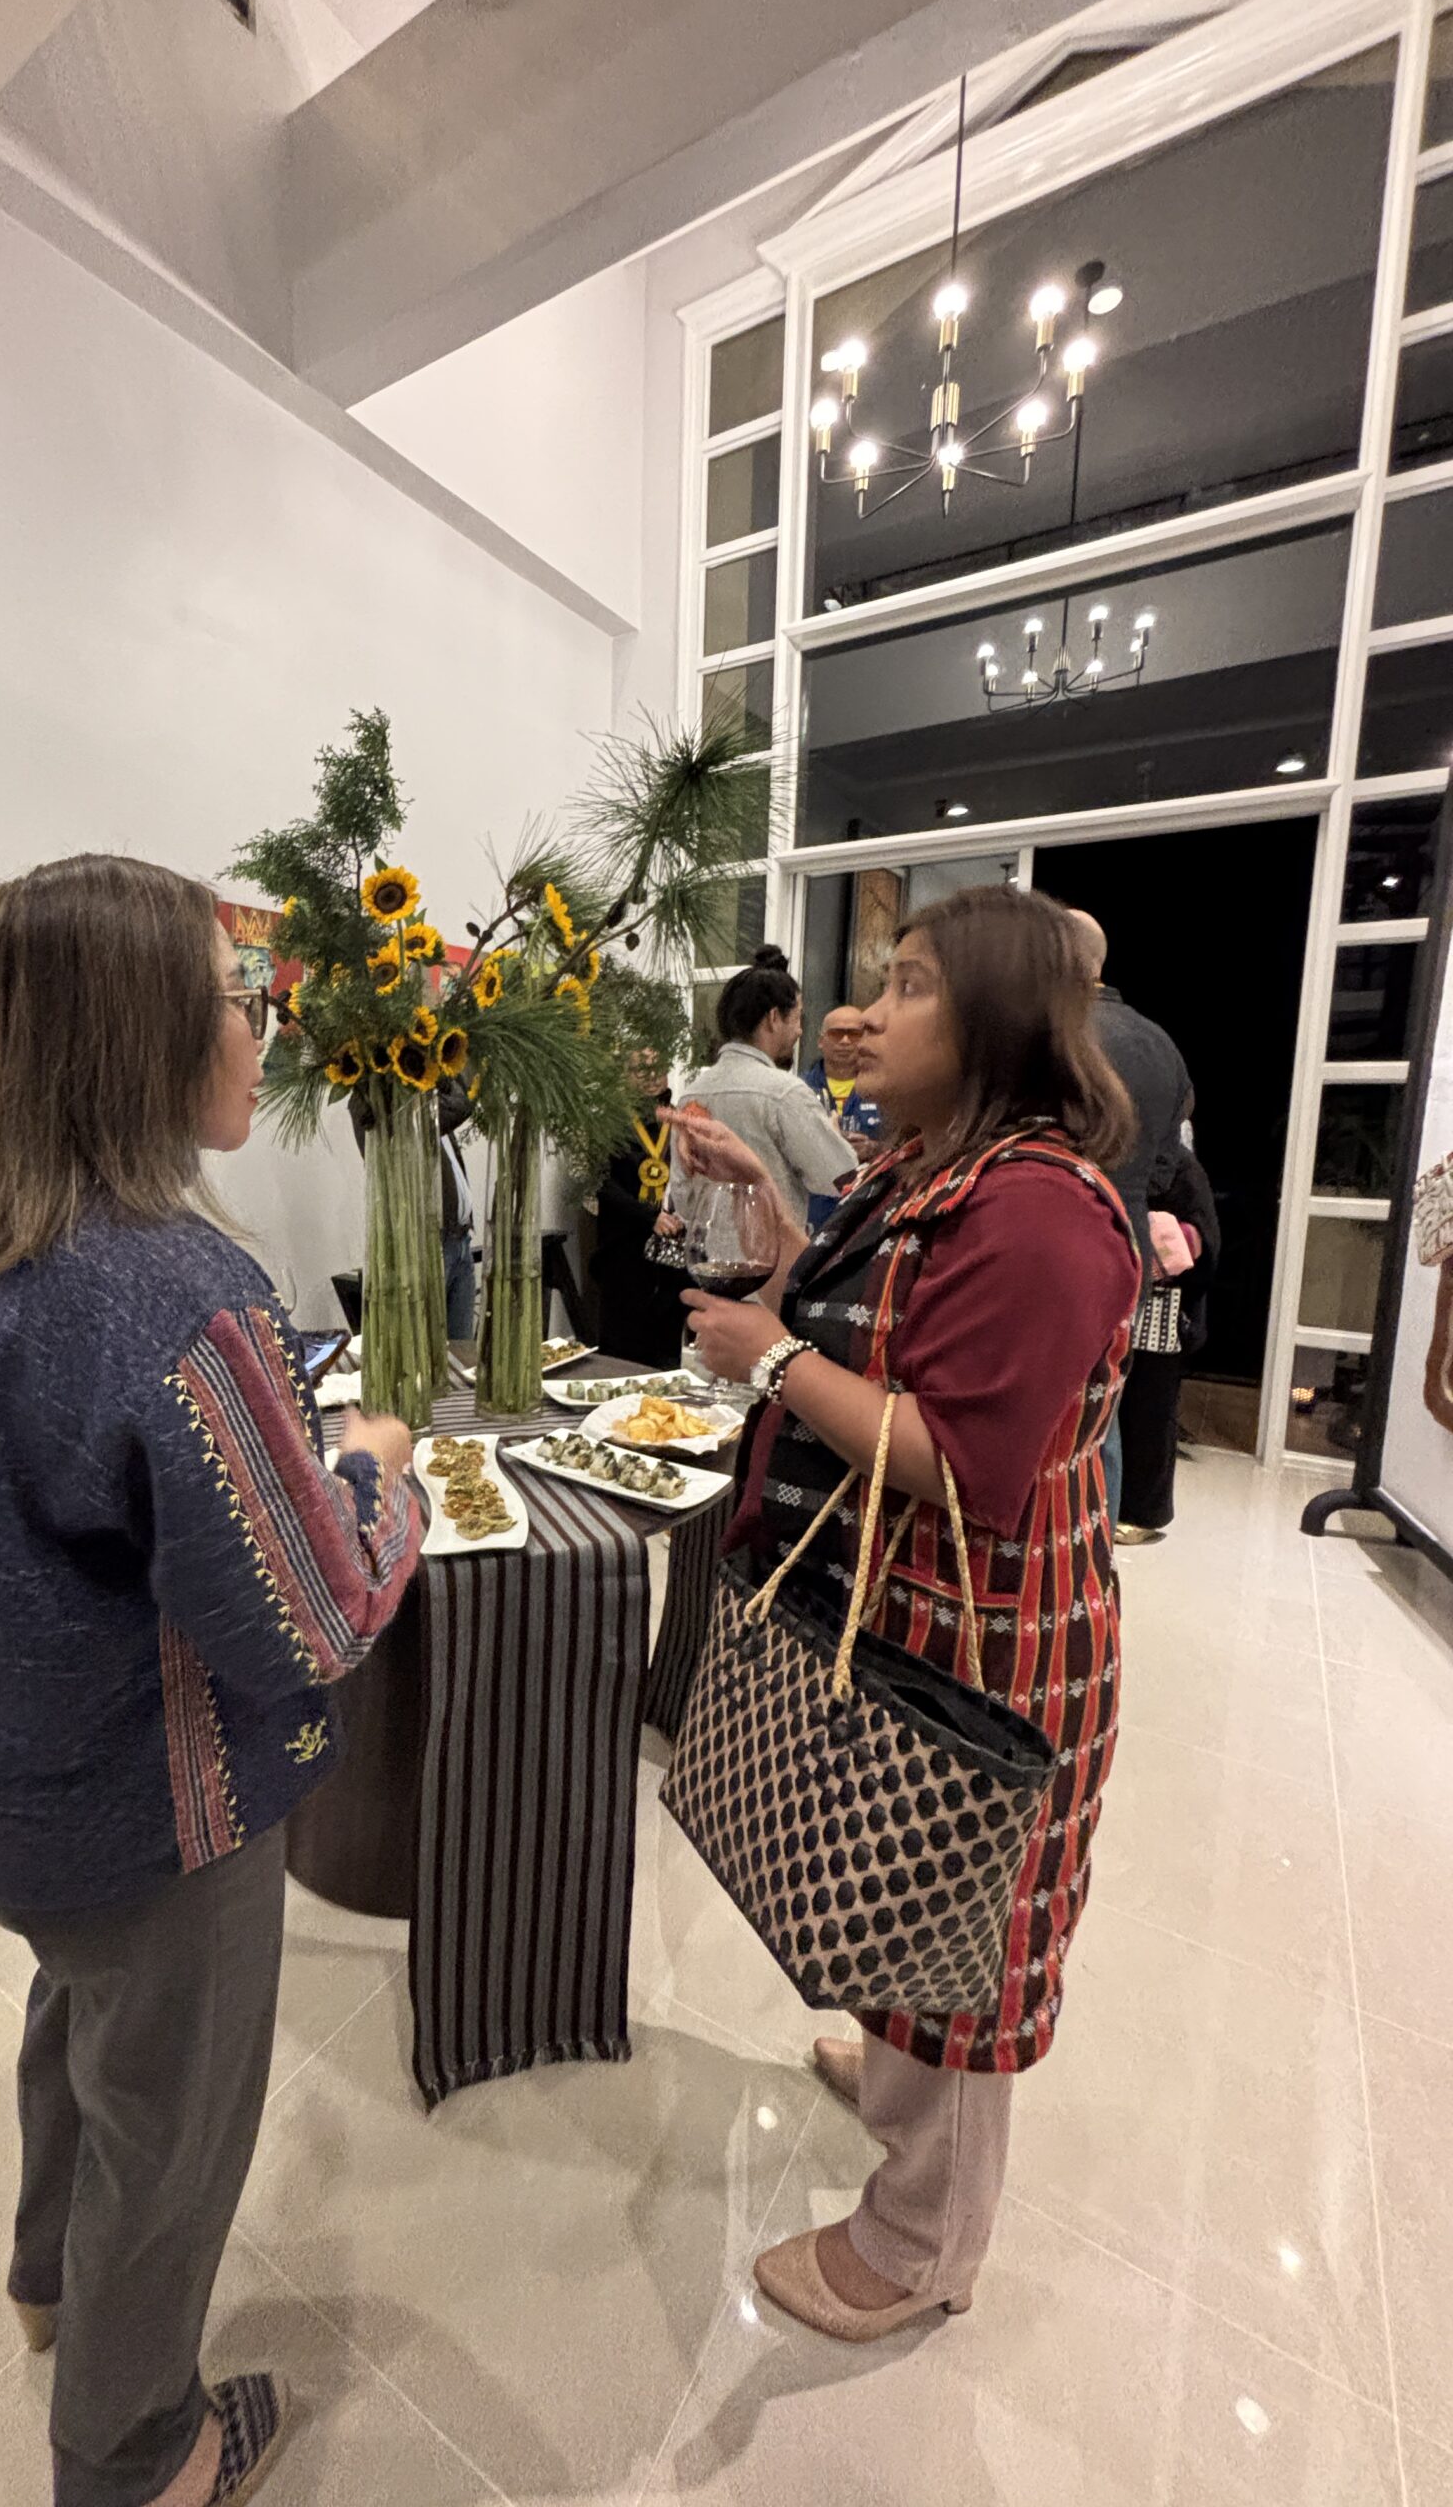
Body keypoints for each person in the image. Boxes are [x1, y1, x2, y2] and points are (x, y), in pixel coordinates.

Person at [0, 854, 422, 2507]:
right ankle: (137, 2455)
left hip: (5, 1791)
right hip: (159, 1817)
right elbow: (315, 1617)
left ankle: (48, 2286)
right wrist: (380, 1471)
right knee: (168, 2146)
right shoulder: (179, 1296)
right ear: (145, 1033)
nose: (261, 1031)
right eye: (239, 998)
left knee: (81, 2032)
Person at [666, 885, 1138, 2341]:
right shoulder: (935, 1164)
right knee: (898, 1881)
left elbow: (962, 1463)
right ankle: (891, 2061)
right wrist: (769, 1205)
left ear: (997, 1019)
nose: (863, 1016)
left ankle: (925, 2240)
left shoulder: (1042, 1212)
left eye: (912, 986)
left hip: (987, 1636)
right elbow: (873, 1317)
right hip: (910, 1603)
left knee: (963, 1934)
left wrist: (766, 1361)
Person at [1066, 909, 1192, 1526]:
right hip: (1129, 1241)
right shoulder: (1161, 1043)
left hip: (1057, 1240)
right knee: (1102, 1408)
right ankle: (1099, 1547)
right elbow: (1171, 1162)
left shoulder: (1054, 1034)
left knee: (1049, 1417)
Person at [676, 946, 853, 1218]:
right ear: (774, 1018)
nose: (800, 1031)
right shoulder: (785, 1093)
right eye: (797, 1018)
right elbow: (841, 1177)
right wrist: (832, 1135)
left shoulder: (690, 1096)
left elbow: (683, 1199)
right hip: (772, 1244)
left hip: (703, 1243)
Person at [1116, 1135, 1220, 1543]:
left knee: (1150, 1415)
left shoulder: (1182, 1168)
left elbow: (1204, 1242)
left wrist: (1160, 1240)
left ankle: (1142, 1513)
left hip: (1163, 1313)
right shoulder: (1130, 1156)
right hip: (1124, 1305)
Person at [349, 1072, 476, 1338]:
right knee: (432, 1348)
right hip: (427, 1247)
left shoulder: (424, 1095)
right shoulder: (373, 1099)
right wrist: (442, 1078)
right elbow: (461, 1106)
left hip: (460, 1240)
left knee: (462, 1351)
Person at [584, 1051, 688, 1367]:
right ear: (625, 1075)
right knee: (622, 1347)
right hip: (623, 1248)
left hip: (672, 1250)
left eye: (658, 1067)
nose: (652, 1075)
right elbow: (601, 1183)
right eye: (641, 1068)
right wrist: (648, 1216)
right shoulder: (609, 1122)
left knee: (667, 1346)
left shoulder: (682, 1121)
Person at [802, 1002, 885, 1230]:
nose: (845, 1041)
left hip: (866, 1210)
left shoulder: (885, 1091)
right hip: (812, 1211)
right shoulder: (798, 1090)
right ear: (821, 1041)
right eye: (836, 1033)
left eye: (854, 1034)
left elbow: (909, 1147)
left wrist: (874, 1149)